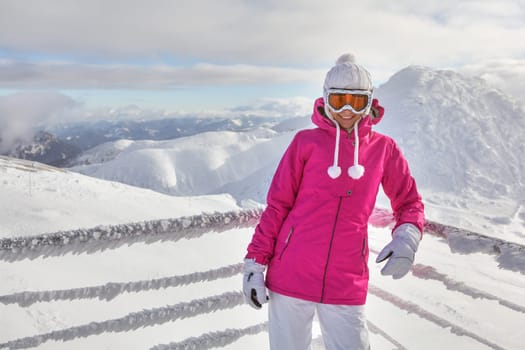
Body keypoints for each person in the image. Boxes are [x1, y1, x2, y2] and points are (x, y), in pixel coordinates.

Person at [242, 53, 425, 350]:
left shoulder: (384, 149)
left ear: (370, 102)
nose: (348, 111)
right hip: (290, 276)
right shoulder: (305, 143)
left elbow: (410, 203)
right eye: (340, 101)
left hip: (346, 281)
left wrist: (407, 236)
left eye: (358, 101)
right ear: (326, 100)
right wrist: (254, 265)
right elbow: (278, 207)